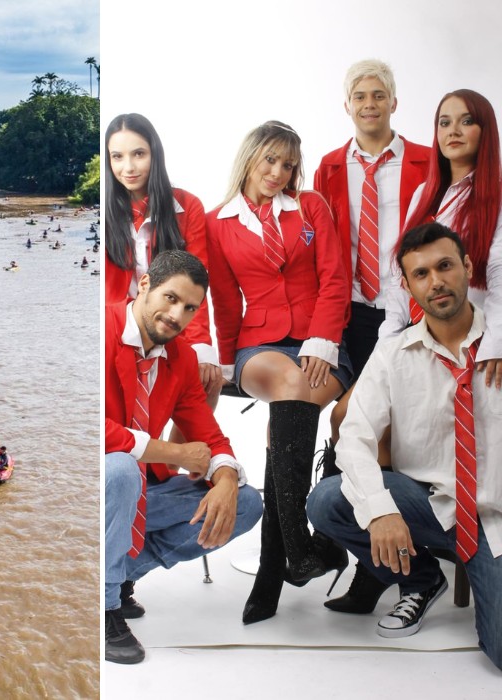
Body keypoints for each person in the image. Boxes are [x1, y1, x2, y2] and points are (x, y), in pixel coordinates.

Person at [307, 223, 502, 669]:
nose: (436, 282)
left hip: (496, 515)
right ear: (408, 286)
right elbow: (353, 438)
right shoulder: (394, 354)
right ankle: (421, 579)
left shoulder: (499, 341)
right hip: (432, 505)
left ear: (467, 268)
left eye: (445, 266)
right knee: (328, 500)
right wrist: (381, 510)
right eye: (421, 274)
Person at [206, 120, 353, 623]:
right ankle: (301, 545)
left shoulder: (310, 207)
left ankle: (276, 568)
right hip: (259, 345)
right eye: (270, 159)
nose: (278, 172)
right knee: (290, 388)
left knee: (285, 426)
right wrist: (226, 362)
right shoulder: (217, 222)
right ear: (250, 156)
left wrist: (322, 339)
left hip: (323, 341)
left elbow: (335, 278)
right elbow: (225, 300)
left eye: (288, 164)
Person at [311, 59, 433, 613]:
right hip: (353, 313)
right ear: (347, 105)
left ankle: (381, 566)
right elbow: (323, 246)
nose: (368, 103)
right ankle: (354, 548)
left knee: (378, 427)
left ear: (393, 102)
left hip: (407, 312)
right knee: (355, 425)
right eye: (359, 95)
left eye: (378, 94)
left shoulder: (425, 161)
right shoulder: (330, 167)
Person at [105, 249, 263, 664]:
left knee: (247, 503)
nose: (177, 316)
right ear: (144, 286)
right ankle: (103, 607)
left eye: (190, 308)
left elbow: (210, 436)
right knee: (120, 468)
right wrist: (173, 452)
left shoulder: (182, 358)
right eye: (170, 298)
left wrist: (226, 479)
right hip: (94, 495)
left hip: (143, 496)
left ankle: (117, 578)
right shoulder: (99, 329)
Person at [105, 113, 222, 437]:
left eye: (138, 154)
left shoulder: (187, 206)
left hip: (169, 319)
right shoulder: (105, 211)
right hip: (119, 326)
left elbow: (197, 283)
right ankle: (142, 454)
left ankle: (169, 461)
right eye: (117, 157)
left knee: (208, 379)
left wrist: (201, 345)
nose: (128, 167)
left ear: (155, 154)